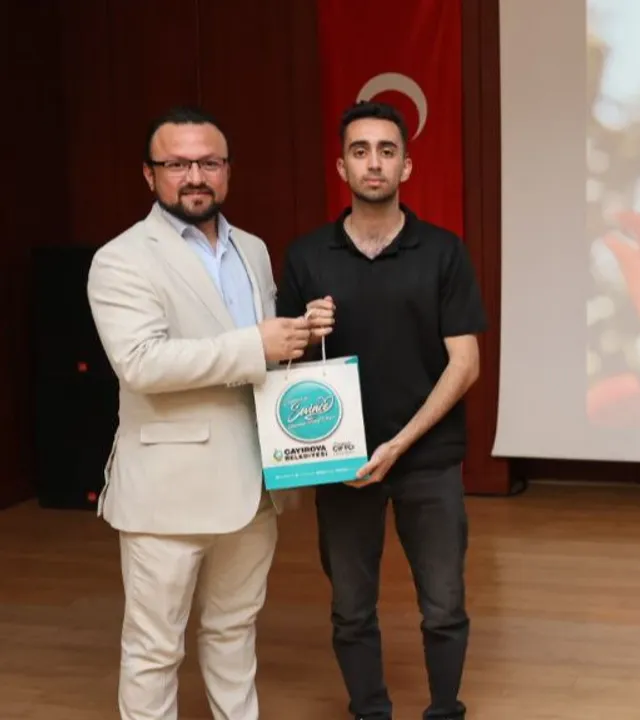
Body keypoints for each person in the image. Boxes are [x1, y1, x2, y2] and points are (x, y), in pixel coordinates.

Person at [85, 106, 311, 720]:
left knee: (235, 633)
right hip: (167, 493)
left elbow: (261, 353)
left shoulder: (253, 250)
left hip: (254, 485)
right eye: (177, 164)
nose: (194, 177)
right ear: (149, 174)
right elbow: (140, 363)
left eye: (208, 163)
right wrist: (256, 345)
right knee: (155, 648)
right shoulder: (120, 258)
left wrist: (299, 334)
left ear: (227, 170)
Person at [277, 101, 486, 720]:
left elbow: (466, 363)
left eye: (387, 151)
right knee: (350, 608)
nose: (374, 162)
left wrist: (400, 444)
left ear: (406, 166)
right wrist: (302, 333)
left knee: (444, 605)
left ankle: (445, 710)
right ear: (342, 166)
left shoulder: (443, 252)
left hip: (428, 458)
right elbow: (279, 370)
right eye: (361, 150)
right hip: (340, 460)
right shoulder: (307, 256)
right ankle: (370, 711)